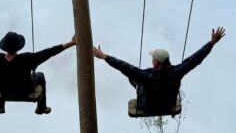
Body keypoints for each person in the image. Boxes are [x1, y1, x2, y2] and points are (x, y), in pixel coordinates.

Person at [93, 28, 225, 116]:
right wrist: (211, 43)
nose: (152, 61)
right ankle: (140, 86)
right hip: (168, 105)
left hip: (148, 106)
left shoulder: (148, 77)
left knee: (133, 77)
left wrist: (105, 57)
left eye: (153, 59)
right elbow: (194, 60)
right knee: (137, 76)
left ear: (158, 62)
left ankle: (138, 86)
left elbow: (125, 67)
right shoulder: (176, 72)